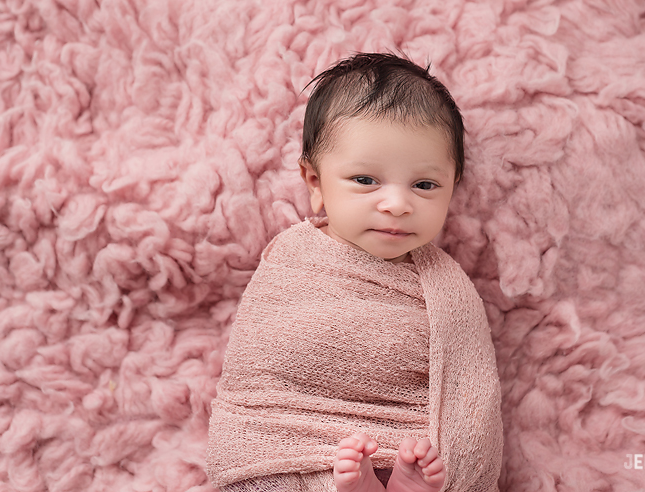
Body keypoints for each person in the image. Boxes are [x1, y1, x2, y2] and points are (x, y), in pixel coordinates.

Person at [205, 53, 502, 492]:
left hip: (406, 443)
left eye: (424, 185)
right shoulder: (292, 261)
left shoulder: (448, 286)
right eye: (366, 180)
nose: (397, 204)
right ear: (315, 183)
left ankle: (399, 481)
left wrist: (460, 460)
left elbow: (471, 391)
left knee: (423, 458)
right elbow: (260, 374)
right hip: (295, 448)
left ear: (453, 186)